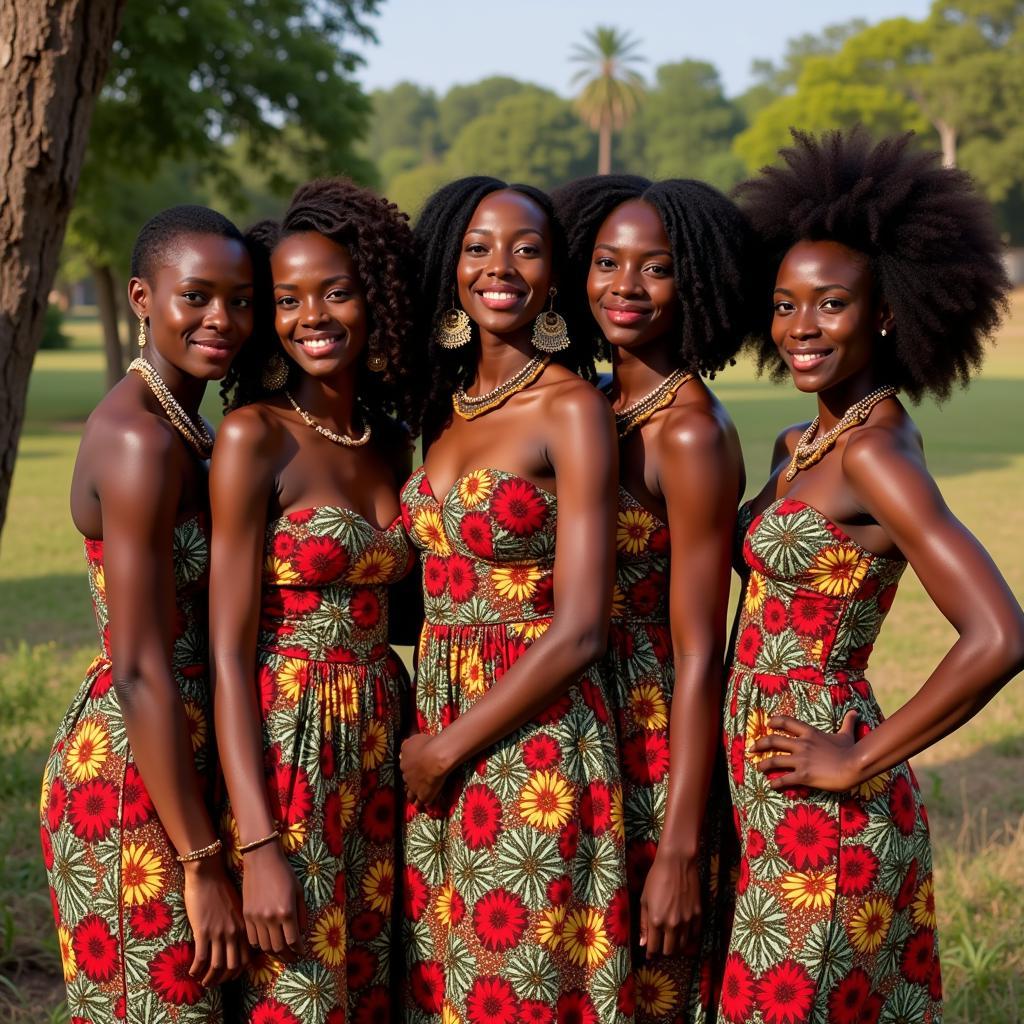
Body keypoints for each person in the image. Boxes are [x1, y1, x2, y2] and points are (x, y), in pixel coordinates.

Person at [719, 128, 1024, 1023]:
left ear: (885, 312)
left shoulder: (878, 455)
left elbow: (1001, 633)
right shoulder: (801, 442)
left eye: (831, 305)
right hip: (760, 780)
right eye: (784, 304)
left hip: (824, 796)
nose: (800, 328)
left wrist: (856, 760)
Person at [398, 177, 630, 1023]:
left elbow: (579, 631)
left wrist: (445, 749)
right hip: (438, 720)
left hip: (530, 734)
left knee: (519, 987)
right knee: (450, 987)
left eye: (527, 248)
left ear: (555, 276)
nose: (501, 266)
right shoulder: (444, 410)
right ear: (451, 266)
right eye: (479, 247)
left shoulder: (572, 409)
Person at [210, 178, 422, 1024]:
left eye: (336, 292)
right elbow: (228, 651)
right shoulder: (253, 436)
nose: (314, 317)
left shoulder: (392, 441)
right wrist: (258, 843)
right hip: (287, 735)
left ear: (375, 298)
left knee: (369, 983)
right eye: (289, 300)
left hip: (383, 730)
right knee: (295, 988)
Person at [40, 206, 253, 1020]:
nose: (221, 320)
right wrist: (200, 862)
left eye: (240, 300)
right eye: (196, 297)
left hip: (184, 756)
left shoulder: (187, 426)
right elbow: (138, 667)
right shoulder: (140, 440)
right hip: (132, 784)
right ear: (141, 297)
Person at [553, 175, 754, 1023]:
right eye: (606, 263)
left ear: (697, 284)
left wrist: (677, 849)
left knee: (642, 988)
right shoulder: (593, 400)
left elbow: (703, 650)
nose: (624, 287)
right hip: (573, 719)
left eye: (656, 268)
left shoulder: (689, 433)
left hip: (650, 731)